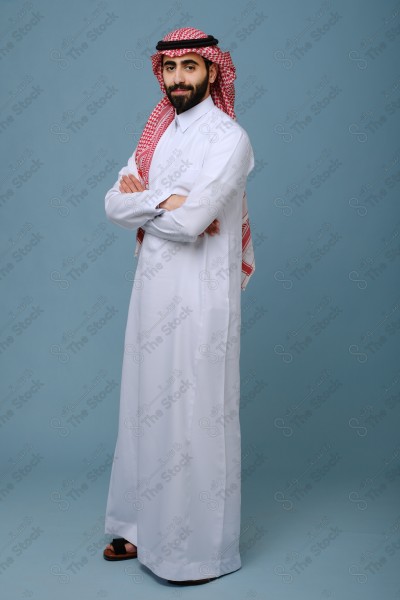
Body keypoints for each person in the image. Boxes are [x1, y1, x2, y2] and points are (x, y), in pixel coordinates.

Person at [102, 27, 256, 585]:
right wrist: (158, 200)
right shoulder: (157, 133)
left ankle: (194, 553)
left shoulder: (229, 139)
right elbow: (112, 203)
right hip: (151, 289)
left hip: (201, 297)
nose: (178, 79)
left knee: (194, 414)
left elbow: (191, 225)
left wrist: (151, 206)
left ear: (212, 71)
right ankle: (139, 526)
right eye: (169, 69)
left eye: (190, 67)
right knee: (143, 403)